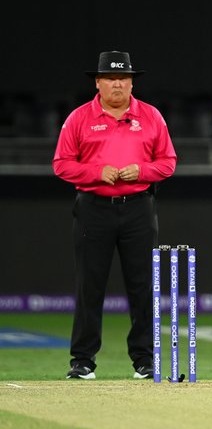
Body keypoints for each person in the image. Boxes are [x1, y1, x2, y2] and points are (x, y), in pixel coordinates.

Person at [53, 51, 177, 380]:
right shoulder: (79, 118)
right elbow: (61, 164)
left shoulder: (151, 116)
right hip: (93, 208)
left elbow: (168, 162)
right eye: (110, 78)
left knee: (143, 286)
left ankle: (145, 360)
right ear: (98, 82)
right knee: (89, 285)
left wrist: (142, 171)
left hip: (138, 207)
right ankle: (82, 360)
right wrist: (96, 172)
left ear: (132, 82)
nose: (117, 83)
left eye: (123, 78)